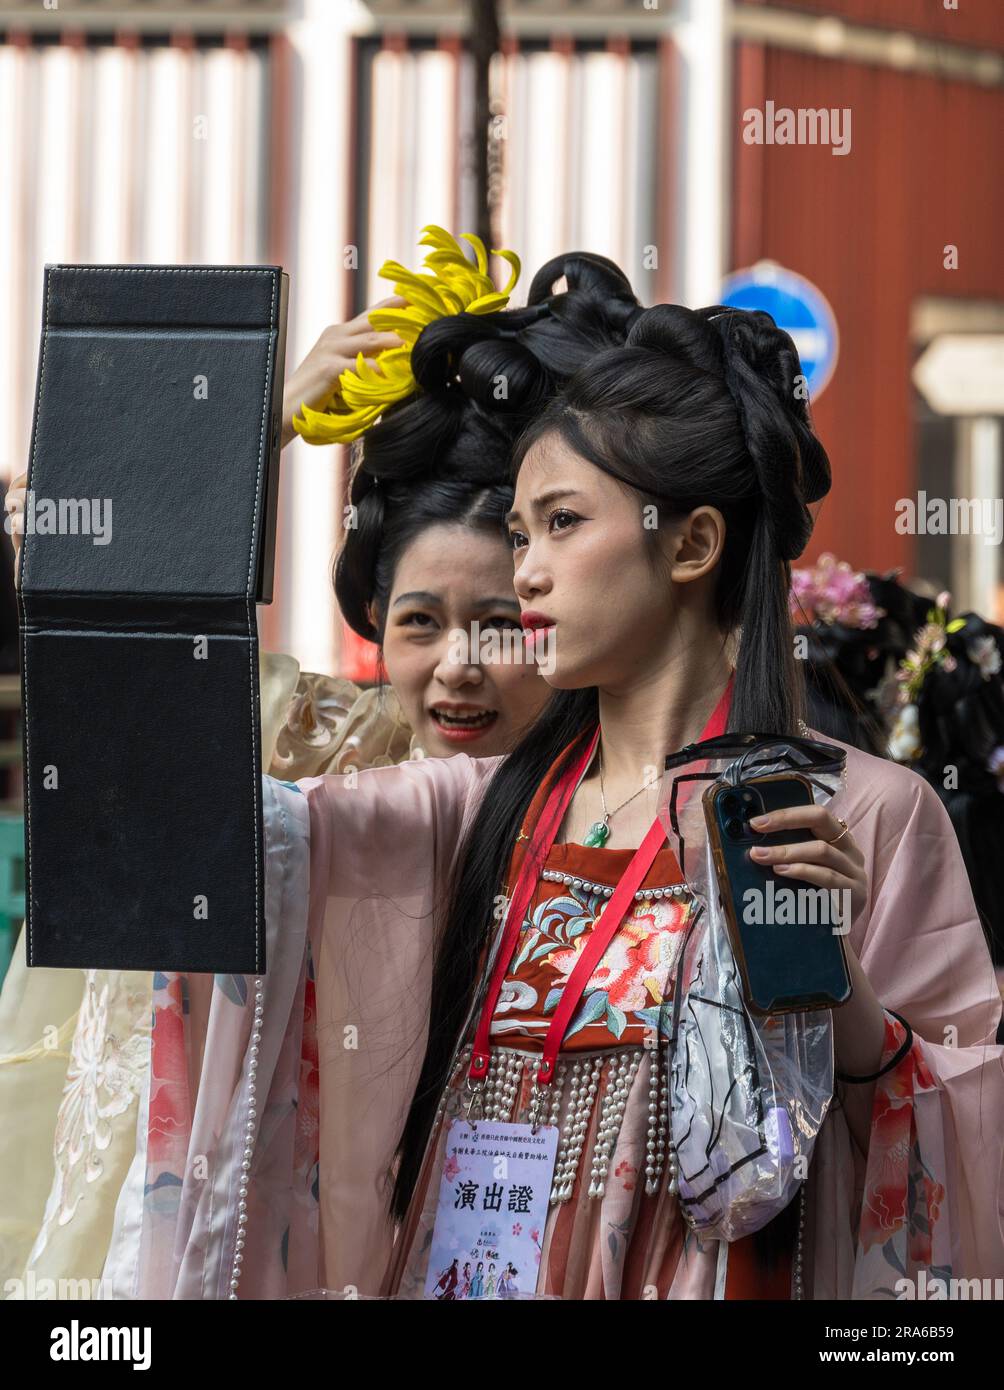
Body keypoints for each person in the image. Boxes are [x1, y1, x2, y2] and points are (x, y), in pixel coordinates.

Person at [94, 299, 1004, 1301]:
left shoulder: (863, 811)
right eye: (520, 531)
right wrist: (247, 428)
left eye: (560, 524)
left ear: (691, 542)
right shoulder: (459, 815)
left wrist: (840, 997)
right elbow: (153, 789)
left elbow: (958, 1146)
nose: (524, 572)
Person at [0, 226, 646, 1298]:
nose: (459, 668)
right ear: (371, 624)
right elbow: (112, 670)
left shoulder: (622, 796)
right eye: (420, 621)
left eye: (499, 621)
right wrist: (252, 425)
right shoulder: (304, 749)